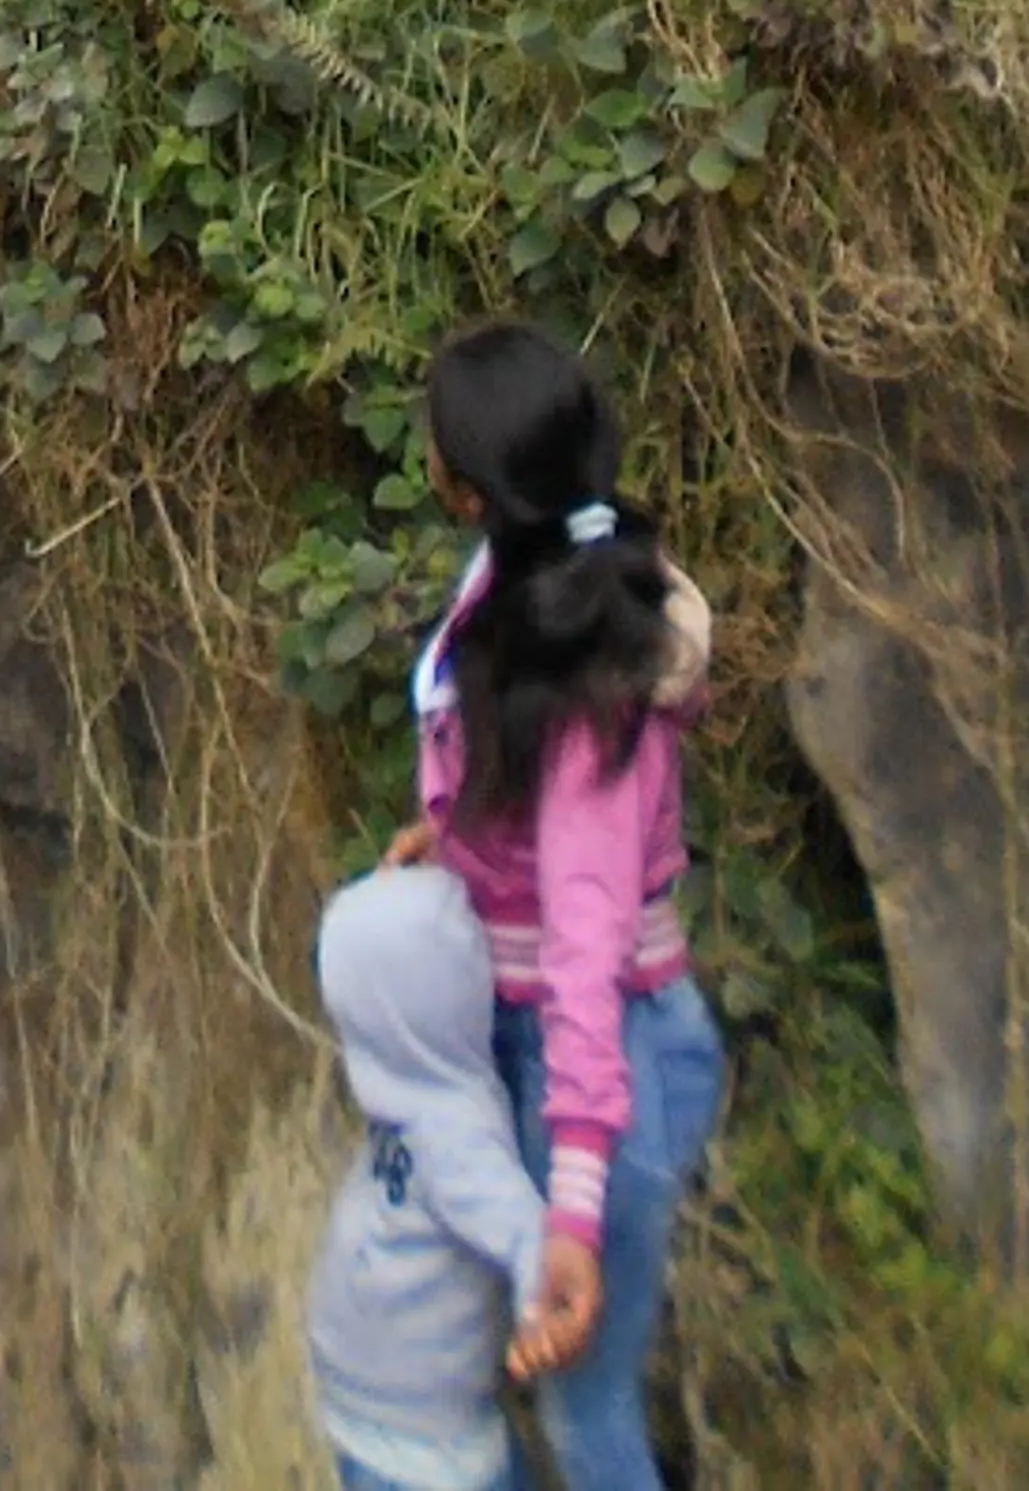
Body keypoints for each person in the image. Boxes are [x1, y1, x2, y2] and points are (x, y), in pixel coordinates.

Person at [392, 323, 725, 1491]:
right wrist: (455, 843)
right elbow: (526, 818)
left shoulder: (591, 673)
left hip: (602, 1055)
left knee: (586, 1413)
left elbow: (586, 939)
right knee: (510, 1387)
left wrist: (573, 1210)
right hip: (537, 1035)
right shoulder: (528, 580)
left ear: (465, 485)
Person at [306, 859, 578, 1491]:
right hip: (383, 1415)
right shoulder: (413, 1087)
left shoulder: (456, 1134)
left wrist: (541, 1307)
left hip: (418, 1448)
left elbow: (523, 1229)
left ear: (396, 1016)